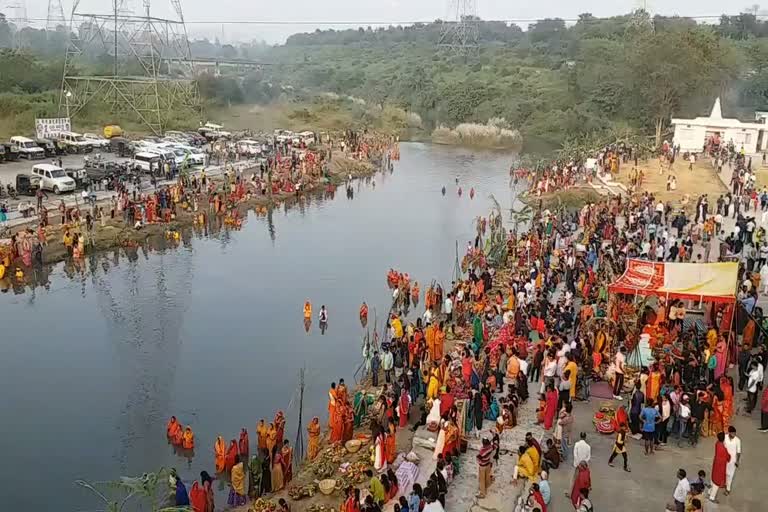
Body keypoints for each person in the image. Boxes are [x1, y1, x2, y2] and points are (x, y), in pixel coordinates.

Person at [708, 432, 730, 503]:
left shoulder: (717, 444)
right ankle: (712, 497)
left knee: (713, 478)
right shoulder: (723, 448)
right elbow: (728, 457)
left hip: (716, 464)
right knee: (717, 482)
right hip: (720, 467)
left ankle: (709, 492)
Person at [567, 433, 590, 498]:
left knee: (574, 479)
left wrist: (578, 464)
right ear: (585, 437)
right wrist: (583, 463)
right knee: (582, 481)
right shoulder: (588, 447)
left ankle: (570, 493)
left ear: (580, 437)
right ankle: (581, 494)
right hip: (584, 467)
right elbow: (588, 457)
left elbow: (575, 455)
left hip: (577, 466)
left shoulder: (577, 445)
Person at [724, 426, 741, 496]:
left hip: (732, 460)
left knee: (730, 475)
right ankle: (724, 483)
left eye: (735, 433)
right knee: (724, 472)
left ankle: (728, 489)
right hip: (724, 459)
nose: (734, 435)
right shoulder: (725, 437)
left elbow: (739, 452)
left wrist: (737, 461)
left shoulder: (737, 440)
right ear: (729, 432)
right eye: (732, 433)